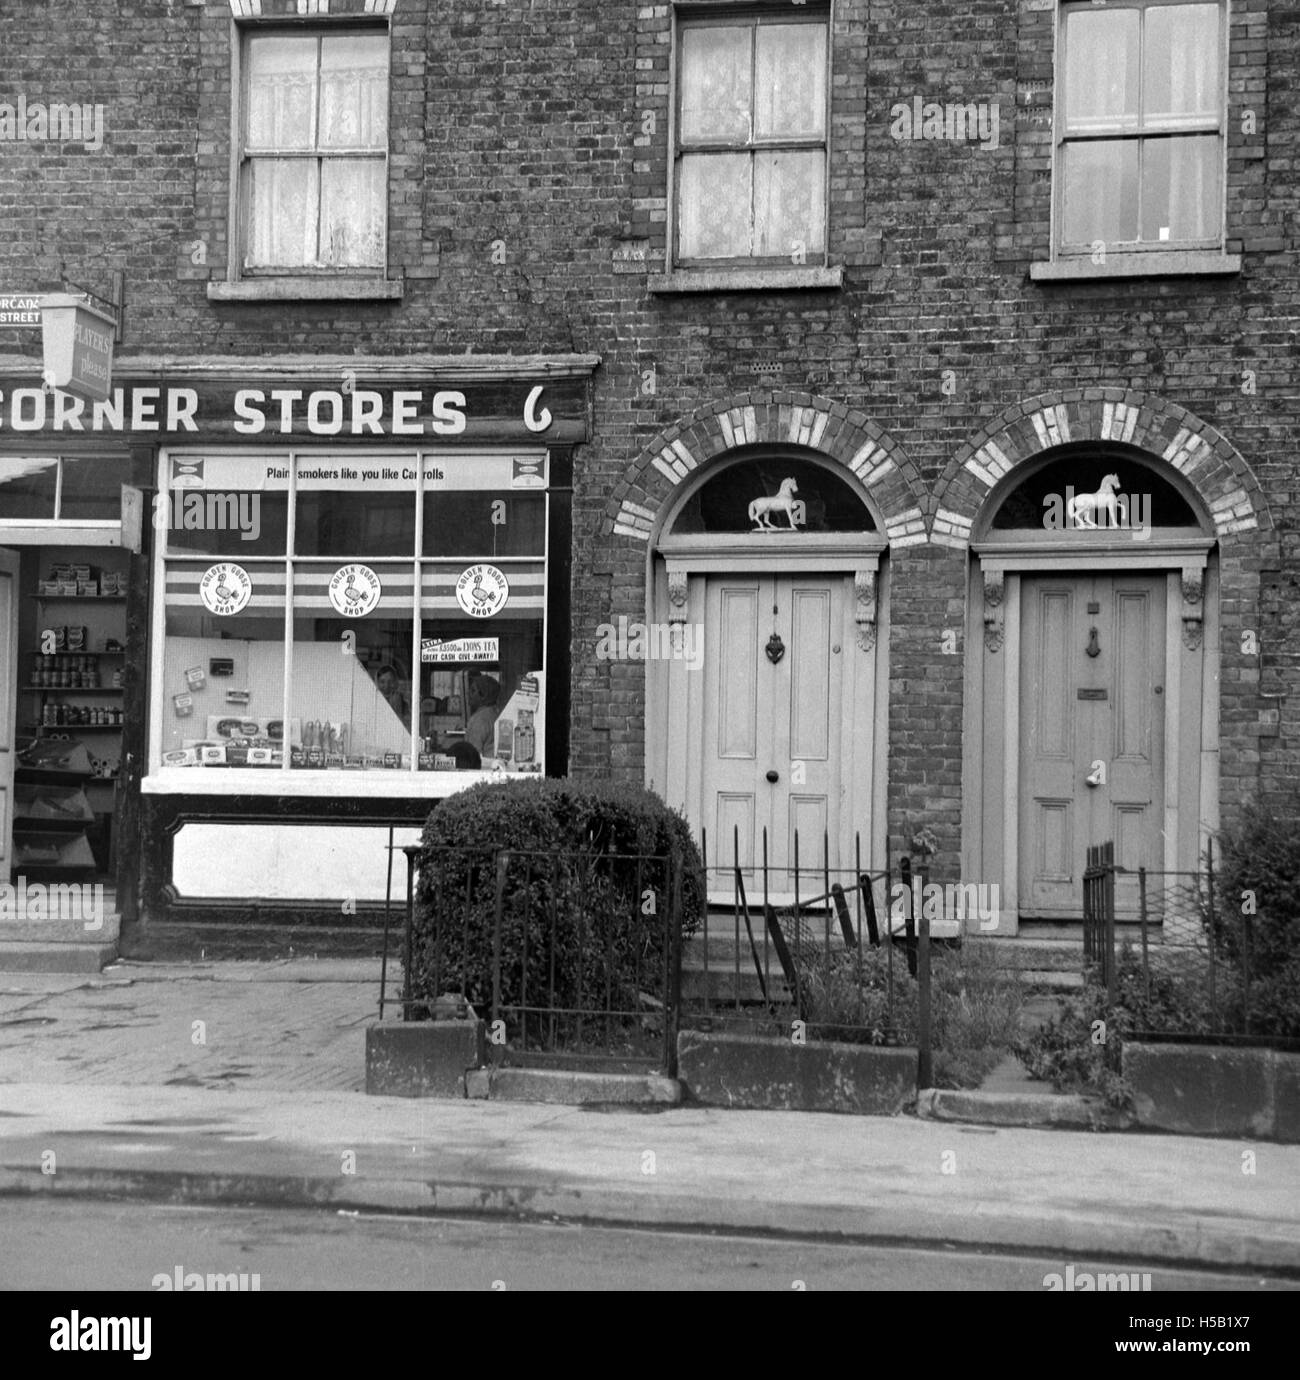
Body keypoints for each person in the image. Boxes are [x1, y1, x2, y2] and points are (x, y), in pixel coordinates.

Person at [464, 674, 500, 757]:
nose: (468, 693)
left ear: (484, 695)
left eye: (473, 690)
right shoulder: (494, 713)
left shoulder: (480, 719)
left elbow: (472, 755)